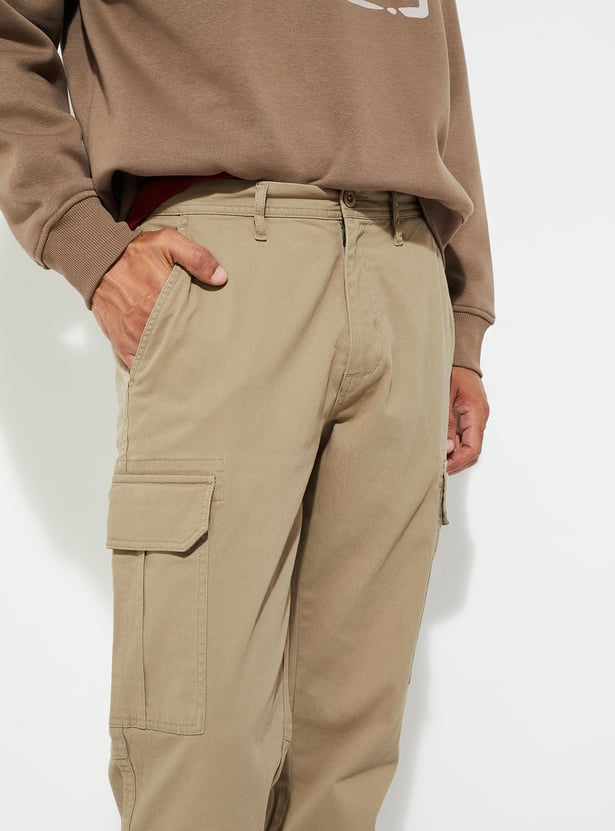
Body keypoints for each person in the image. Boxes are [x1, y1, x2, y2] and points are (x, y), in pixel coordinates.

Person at [0, 1, 494, 829]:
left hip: (407, 266)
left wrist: (463, 313)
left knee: (348, 745)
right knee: (203, 748)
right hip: (222, 260)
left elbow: (442, 65)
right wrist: (85, 241)